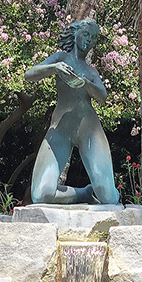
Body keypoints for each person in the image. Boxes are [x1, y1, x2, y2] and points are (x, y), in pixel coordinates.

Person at [24, 18, 121, 205]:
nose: (89, 40)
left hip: (89, 128)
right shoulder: (61, 58)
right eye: (86, 34)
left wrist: (86, 84)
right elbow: (29, 75)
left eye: (93, 38)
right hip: (61, 128)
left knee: (108, 197)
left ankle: (107, 194)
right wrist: (54, 68)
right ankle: (85, 194)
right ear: (75, 33)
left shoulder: (91, 71)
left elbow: (103, 96)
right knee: (40, 195)